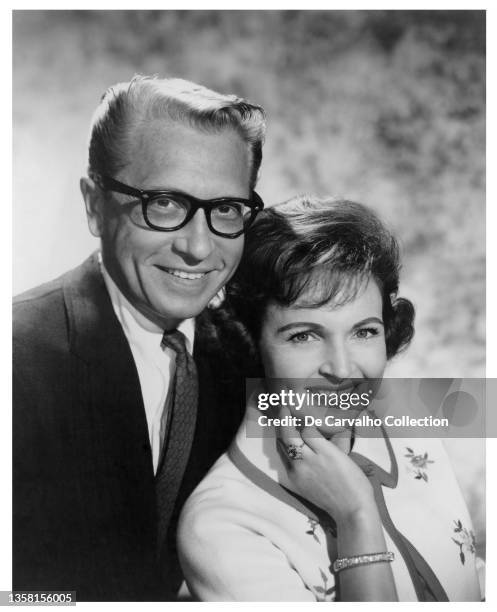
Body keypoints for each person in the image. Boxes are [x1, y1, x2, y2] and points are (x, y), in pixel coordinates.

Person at [13, 75, 266, 601]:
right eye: (165, 204)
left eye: (225, 210)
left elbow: (464, 411)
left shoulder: (249, 353)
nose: (198, 248)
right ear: (94, 205)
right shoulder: (15, 357)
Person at [178, 196, 483, 601]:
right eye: (304, 336)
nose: (341, 369)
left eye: (364, 332)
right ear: (249, 344)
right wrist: (356, 516)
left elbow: (473, 578)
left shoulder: (410, 419)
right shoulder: (222, 523)